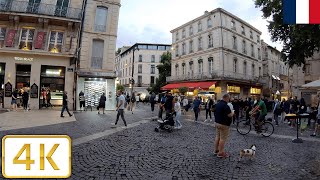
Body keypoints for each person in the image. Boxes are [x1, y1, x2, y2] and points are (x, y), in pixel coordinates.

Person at [214, 94, 234, 158]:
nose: (229, 100)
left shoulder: (218, 104)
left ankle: (216, 150)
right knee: (222, 139)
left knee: (217, 137)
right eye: (229, 98)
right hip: (224, 124)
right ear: (226, 98)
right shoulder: (225, 105)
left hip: (217, 123)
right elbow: (229, 115)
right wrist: (233, 112)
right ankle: (221, 152)